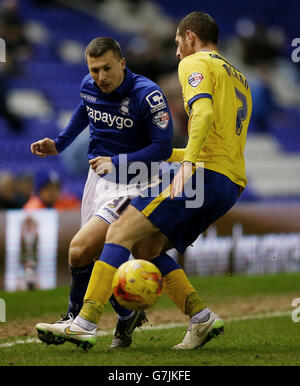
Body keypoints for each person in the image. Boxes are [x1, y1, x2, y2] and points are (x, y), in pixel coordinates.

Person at [45, 11, 252, 351]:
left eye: (176, 43)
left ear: (189, 36)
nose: (176, 53)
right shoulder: (239, 77)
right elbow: (222, 140)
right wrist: (178, 157)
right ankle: (201, 318)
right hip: (230, 183)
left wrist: (188, 164)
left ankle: (84, 321)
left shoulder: (195, 62)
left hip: (202, 173)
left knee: (118, 232)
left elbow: (202, 115)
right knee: (147, 247)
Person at [33, 37, 174, 348]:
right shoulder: (90, 85)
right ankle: (126, 317)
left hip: (135, 181)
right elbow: (85, 110)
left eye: (107, 68)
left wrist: (118, 162)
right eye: (94, 70)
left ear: (122, 63)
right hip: (98, 179)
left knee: (79, 249)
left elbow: (163, 147)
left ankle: (75, 318)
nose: (100, 77)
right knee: (96, 257)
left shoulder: (147, 94)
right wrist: (58, 144)